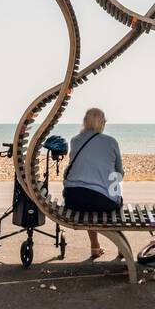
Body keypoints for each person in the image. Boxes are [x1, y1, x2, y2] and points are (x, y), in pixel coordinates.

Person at [62, 108, 123, 260]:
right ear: (102, 123)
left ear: (85, 122)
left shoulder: (75, 140)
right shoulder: (111, 141)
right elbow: (119, 173)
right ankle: (122, 248)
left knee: (89, 197)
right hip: (101, 201)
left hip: (73, 199)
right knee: (114, 192)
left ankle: (95, 246)